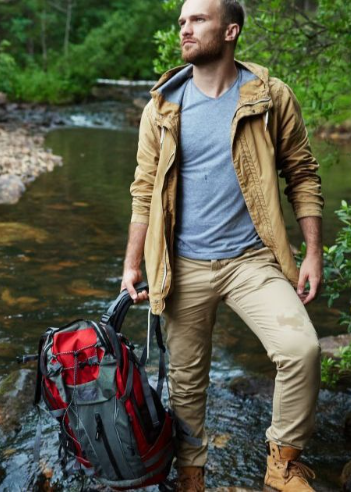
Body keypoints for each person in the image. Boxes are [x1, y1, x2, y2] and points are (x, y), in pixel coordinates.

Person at [119, 0, 324, 491]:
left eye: (198, 20)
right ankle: (191, 474)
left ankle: (282, 464)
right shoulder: (161, 107)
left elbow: (302, 174)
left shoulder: (270, 97)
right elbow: (144, 190)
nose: (185, 29)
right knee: (187, 383)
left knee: (301, 350)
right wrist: (132, 264)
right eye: (182, 22)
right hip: (181, 263)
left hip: (252, 260)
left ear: (230, 31)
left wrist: (313, 253)